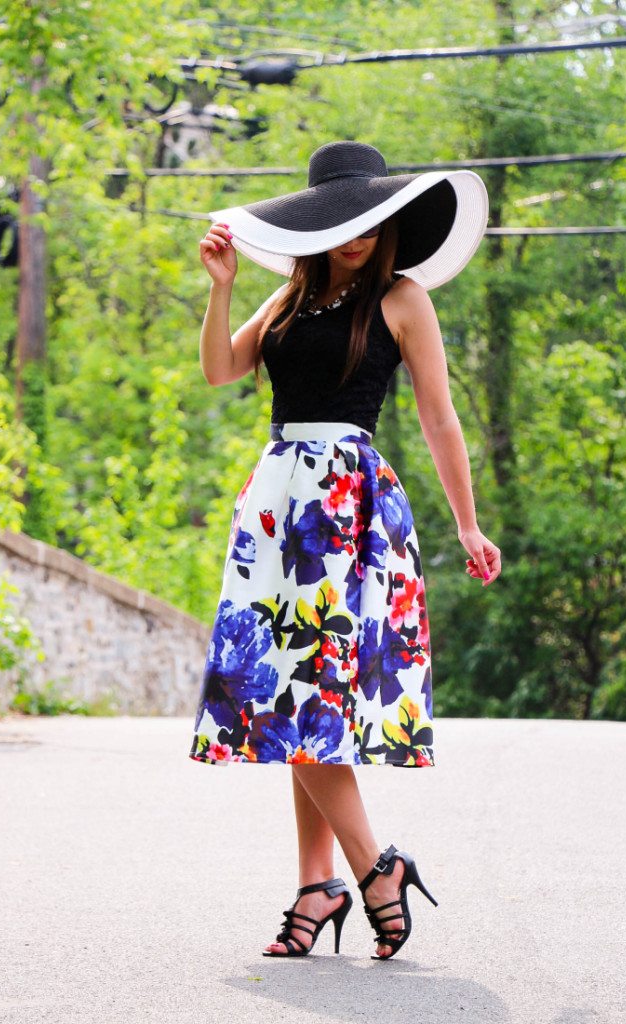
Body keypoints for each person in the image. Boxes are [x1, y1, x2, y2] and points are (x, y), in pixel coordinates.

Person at [190, 141, 501, 960]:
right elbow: (223, 369)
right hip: (276, 503)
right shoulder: (289, 294)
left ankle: (369, 869)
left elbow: (440, 417)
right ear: (313, 230)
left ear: (387, 221)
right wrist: (222, 291)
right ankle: (320, 882)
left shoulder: (402, 299)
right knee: (287, 695)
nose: (352, 237)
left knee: (307, 694)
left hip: (348, 508)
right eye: (336, 224)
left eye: (365, 222)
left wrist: (467, 523)